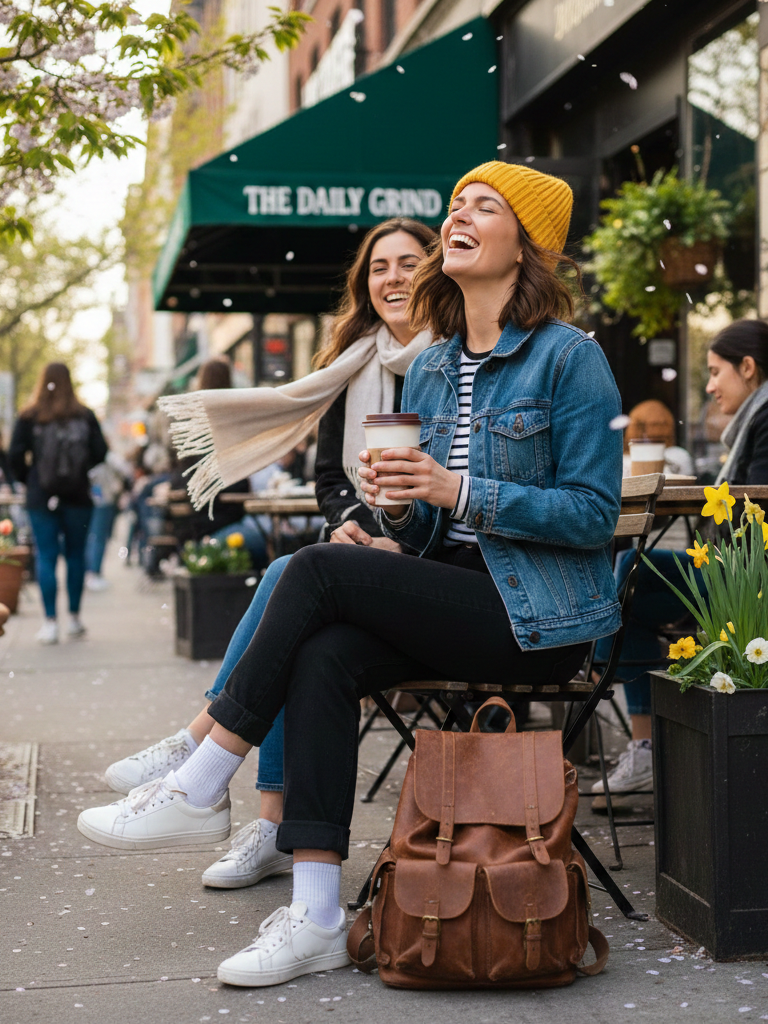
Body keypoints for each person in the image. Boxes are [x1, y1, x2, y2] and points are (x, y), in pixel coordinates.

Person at [78, 162, 623, 988]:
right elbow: (436, 527)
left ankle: (200, 777)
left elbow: (591, 514)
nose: (458, 217)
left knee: (314, 570)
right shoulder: (435, 368)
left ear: (528, 246)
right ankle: (317, 912)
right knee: (324, 649)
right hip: (459, 594)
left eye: (484, 206)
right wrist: (401, 511)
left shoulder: (568, 360)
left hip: (538, 620)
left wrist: (461, 487)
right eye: (455, 205)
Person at [98, 217, 436, 888]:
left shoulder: (452, 360)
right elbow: (331, 480)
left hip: (432, 562)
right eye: (379, 267)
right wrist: (347, 524)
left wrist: (390, 532)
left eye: (406, 263)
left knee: (290, 579)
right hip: (364, 552)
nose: (393, 277)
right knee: (299, 610)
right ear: (364, 285)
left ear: (433, 271)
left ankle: (200, 754)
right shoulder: (353, 363)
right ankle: (268, 822)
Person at [592, 318, 768, 799]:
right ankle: (647, 738)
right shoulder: (753, 419)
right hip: (732, 568)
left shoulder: (766, 415)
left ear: (748, 368)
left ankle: (643, 734)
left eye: (715, 372)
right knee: (624, 580)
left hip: (748, 579)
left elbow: (757, 508)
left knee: (628, 577)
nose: (710, 386)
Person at [10, 362, 108, 644]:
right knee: (76, 556)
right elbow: (101, 451)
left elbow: (16, 455)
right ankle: (75, 619)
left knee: (46, 556)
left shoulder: (30, 416)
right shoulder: (84, 415)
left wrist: (32, 479)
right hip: (78, 496)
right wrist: (80, 471)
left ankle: (50, 623)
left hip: (41, 498)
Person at [622, 399, 694, 478]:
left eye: (663, 424)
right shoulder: (679, 455)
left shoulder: (678, 455)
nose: (657, 430)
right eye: (654, 425)